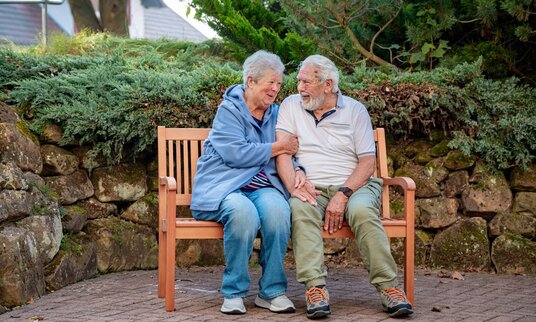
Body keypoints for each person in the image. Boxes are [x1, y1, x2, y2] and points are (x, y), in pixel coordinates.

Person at [275, 55, 413, 319]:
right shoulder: (291, 106)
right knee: (300, 208)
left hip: (355, 186)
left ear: (327, 85)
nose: (299, 88)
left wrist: (343, 193)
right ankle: (315, 288)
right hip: (311, 187)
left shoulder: (355, 110)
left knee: (362, 213)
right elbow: (282, 152)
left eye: (306, 82)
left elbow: (367, 162)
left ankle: (389, 288)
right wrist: (294, 186)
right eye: (298, 81)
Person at [190, 50, 299, 315]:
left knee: (278, 211)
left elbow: (291, 151)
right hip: (225, 186)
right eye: (270, 83)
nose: (275, 89)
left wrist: (300, 169)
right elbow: (235, 153)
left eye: (279, 84)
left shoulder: (276, 113)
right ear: (251, 81)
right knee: (243, 213)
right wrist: (276, 146)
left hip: (261, 186)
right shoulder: (229, 110)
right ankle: (234, 292)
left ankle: (272, 291)